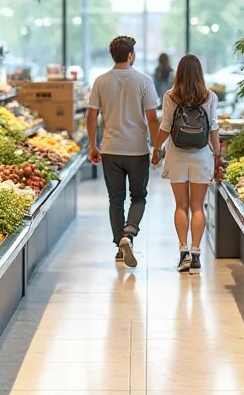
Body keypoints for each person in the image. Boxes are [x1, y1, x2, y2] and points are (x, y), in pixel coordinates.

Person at [86, 35, 160, 268]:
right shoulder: (144, 81)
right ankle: (129, 233)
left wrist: (92, 144)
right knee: (138, 196)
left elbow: (91, 115)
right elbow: (152, 118)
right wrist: (157, 147)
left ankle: (120, 244)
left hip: (110, 149)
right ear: (130, 55)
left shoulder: (100, 81)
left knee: (115, 199)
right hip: (137, 149)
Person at [151, 54, 222, 273]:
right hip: (201, 155)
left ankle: (183, 252)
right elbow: (213, 128)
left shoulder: (171, 96)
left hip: (177, 154)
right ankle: (196, 253)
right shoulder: (209, 96)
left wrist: (156, 149)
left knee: (181, 206)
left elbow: (165, 126)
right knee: (198, 207)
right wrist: (217, 155)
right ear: (199, 73)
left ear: (179, 72)